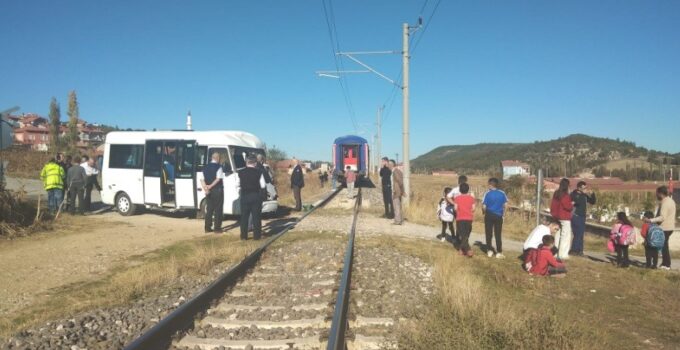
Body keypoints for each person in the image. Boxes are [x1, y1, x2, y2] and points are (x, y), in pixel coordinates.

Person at [644, 186, 677, 270]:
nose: (656, 195)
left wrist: (650, 220)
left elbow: (662, 217)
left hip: (665, 228)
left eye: (657, 193)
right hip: (669, 227)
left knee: (664, 246)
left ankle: (666, 264)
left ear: (660, 193)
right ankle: (665, 263)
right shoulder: (670, 201)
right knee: (664, 246)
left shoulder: (665, 203)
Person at [238, 156, 266, 240]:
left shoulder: (240, 172)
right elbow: (263, 185)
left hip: (245, 196)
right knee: (256, 217)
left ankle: (243, 236)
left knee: (244, 217)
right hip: (255, 196)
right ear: (255, 163)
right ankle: (256, 236)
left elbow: (237, 185)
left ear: (246, 162)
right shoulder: (259, 172)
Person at [482, 178, 508, 258]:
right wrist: (503, 214)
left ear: (490, 184)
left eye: (488, 184)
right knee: (498, 234)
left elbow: (484, 206)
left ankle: (489, 250)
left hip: (489, 214)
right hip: (498, 215)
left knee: (488, 233)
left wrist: (484, 212)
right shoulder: (502, 193)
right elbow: (505, 205)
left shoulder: (487, 193)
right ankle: (499, 252)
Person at [570, 181, 596, 256]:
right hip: (576, 216)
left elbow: (592, 202)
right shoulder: (574, 194)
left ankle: (580, 250)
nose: (585, 189)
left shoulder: (584, 195)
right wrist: (581, 194)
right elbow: (576, 202)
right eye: (584, 188)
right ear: (579, 188)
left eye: (586, 188)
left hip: (582, 217)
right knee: (577, 234)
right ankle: (574, 250)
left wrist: (592, 194)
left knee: (581, 234)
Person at [550, 178, 574, 260]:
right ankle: (563, 254)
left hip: (556, 216)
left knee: (557, 235)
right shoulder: (565, 195)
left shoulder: (556, 193)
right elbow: (568, 207)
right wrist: (572, 203)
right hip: (564, 217)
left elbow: (553, 204)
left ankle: (555, 253)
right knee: (565, 236)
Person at [201, 152, 224, 234]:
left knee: (209, 209)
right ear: (217, 158)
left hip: (208, 191)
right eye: (219, 158)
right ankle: (217, 228)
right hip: (217, 190)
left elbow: (202, 179)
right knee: (218, 209)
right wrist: (210, 186)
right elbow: (218, 179)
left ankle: (207, 227)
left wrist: (206, 188)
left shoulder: (205, 167)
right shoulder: (219, 167)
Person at [453, 183, 475, 257]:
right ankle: (465, 250)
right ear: (468, 190)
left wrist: (459, 211)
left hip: (460, 218)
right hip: (469, 218)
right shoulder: (471, 198)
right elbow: (473, 209)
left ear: (460, 190)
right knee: (466, 234)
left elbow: (455, 208)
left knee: (463, 235)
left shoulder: (457, 198)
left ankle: (463, 250)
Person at [389, 159, 404, 225]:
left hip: (396, 191)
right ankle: (398, 219)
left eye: (389, 164)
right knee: (397, 205)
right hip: (397, 191)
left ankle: (397, 221)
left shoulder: (395, 171)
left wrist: (400, 190)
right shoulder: (396, 171)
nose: (388, 166)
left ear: (392, 165)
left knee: (396, 206)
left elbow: (400, 181)